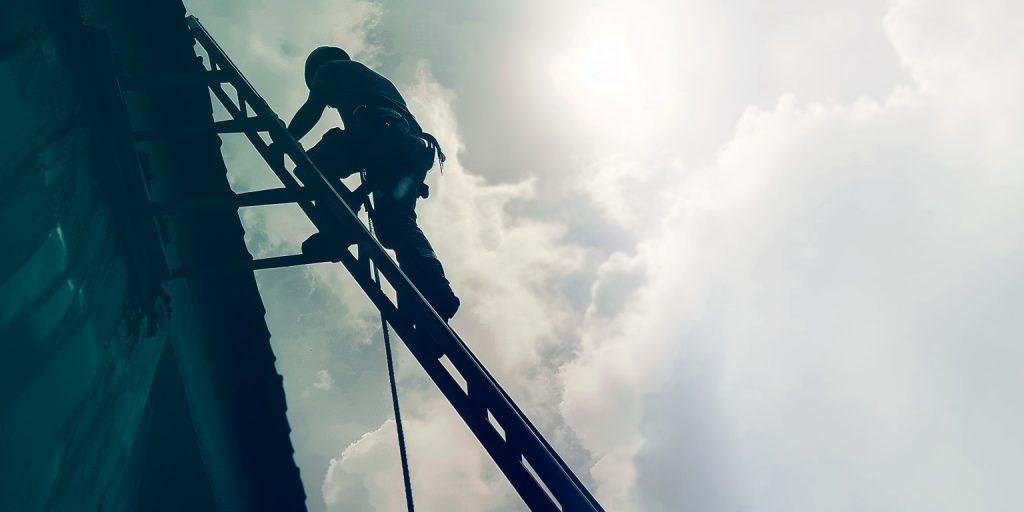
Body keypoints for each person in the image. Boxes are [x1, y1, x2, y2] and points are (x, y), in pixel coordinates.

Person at [286, 46, 460, 322]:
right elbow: (381, 157)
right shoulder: (373, 84)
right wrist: (354, 198)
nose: (333, 105)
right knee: (394, 225)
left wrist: (285, 139)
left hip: (380, 132)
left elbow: (313, 107)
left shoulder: (330, 68)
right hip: (409, 151)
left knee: (311, 166)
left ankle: (338, 229)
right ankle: (434, 292)